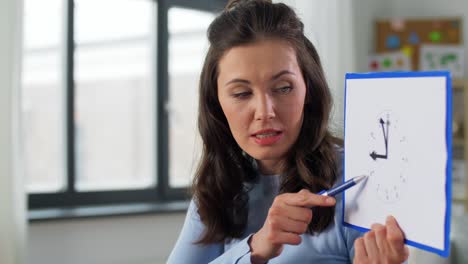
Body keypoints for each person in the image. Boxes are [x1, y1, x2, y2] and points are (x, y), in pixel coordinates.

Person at [168, 0, 410, 263]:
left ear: (309, 88)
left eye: (283, 88)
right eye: (241, 93)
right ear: (216, 103)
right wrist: (256, 247)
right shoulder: (218, 188)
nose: (264, 111)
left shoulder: (358, 181)